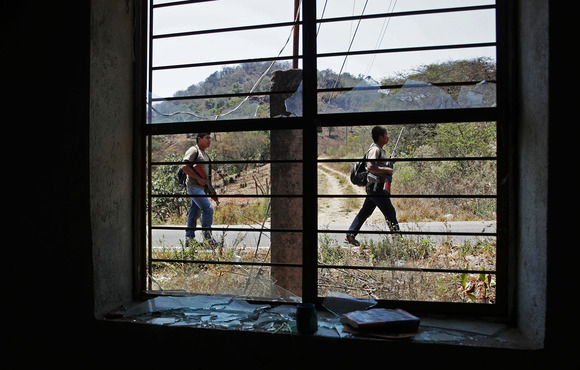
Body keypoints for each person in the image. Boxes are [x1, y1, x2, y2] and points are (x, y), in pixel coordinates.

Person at [346, 125, 400, 246]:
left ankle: (350, 234)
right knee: (390, 213)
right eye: (386, 134)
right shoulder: (375, 149)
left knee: (365, 212)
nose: (388, 136)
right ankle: (399, 241)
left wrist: (390, 162)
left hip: (374, 188)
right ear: (381, 137)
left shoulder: (378, 149)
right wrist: (387, 169)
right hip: (376, 188)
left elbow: (377, 165)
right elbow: (371, 167)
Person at [182, 132, 218, 248]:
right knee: (208, 209)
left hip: (201, 188)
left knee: (194, 213)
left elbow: (206, 176)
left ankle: (189, 239)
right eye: (207, 138)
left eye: (210, 138)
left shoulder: (205, 155)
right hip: (194, 187)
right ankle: (209, 240)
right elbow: (184, 167)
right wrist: (198, 179)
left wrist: (210, 189)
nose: (209, 141)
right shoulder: (194, 150)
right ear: (199, 139)